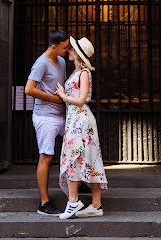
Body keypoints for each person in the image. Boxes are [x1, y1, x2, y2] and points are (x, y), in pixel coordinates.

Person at [55, 36, 107, 219]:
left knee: (74, 157)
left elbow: (82, 99)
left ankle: (73, 201)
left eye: (72, 49)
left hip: (80, 120)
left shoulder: (84, 73)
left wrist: (63, 95)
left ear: (77, 54)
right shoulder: (77, 72)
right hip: (76, 119)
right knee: (87, 158)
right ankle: (95, 204)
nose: (69, 51)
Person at [25, 29, 70, 215]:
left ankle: (77, 183)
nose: (67, 50)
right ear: (54, 46)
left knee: (76, 146)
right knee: (47, 156)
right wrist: (53, 99)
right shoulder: (41, 63)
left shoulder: (61, 61)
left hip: (61, 115)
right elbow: (29, 89)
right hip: (45, 116)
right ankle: (44, 203)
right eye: (64, 47)